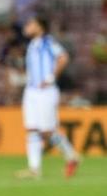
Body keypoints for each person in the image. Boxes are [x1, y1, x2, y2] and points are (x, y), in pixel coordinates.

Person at [15, 16, 80, 180]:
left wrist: (51, 77)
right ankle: (34, 169)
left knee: (47, 131)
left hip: (46, 91)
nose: (27, 26)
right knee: (32, 128)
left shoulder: (47, 42)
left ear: (40, 27)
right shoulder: (31, 44)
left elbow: (63, 57)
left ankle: (71, 155)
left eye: (31, 23)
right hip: (31, 91)